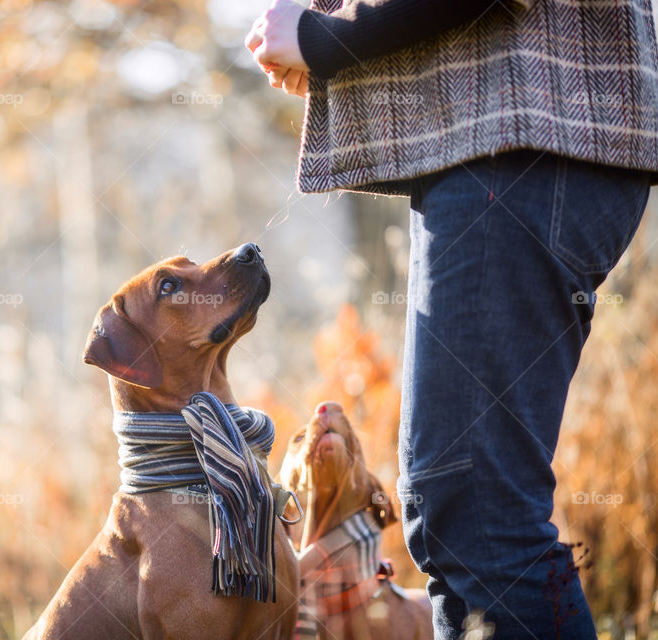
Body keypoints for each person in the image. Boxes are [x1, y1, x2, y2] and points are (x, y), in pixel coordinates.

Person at [246, 1, 658, 638]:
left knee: (477, 516)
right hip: (514, 145)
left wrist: (326, 36)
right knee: (462, 514)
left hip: (522, 142)